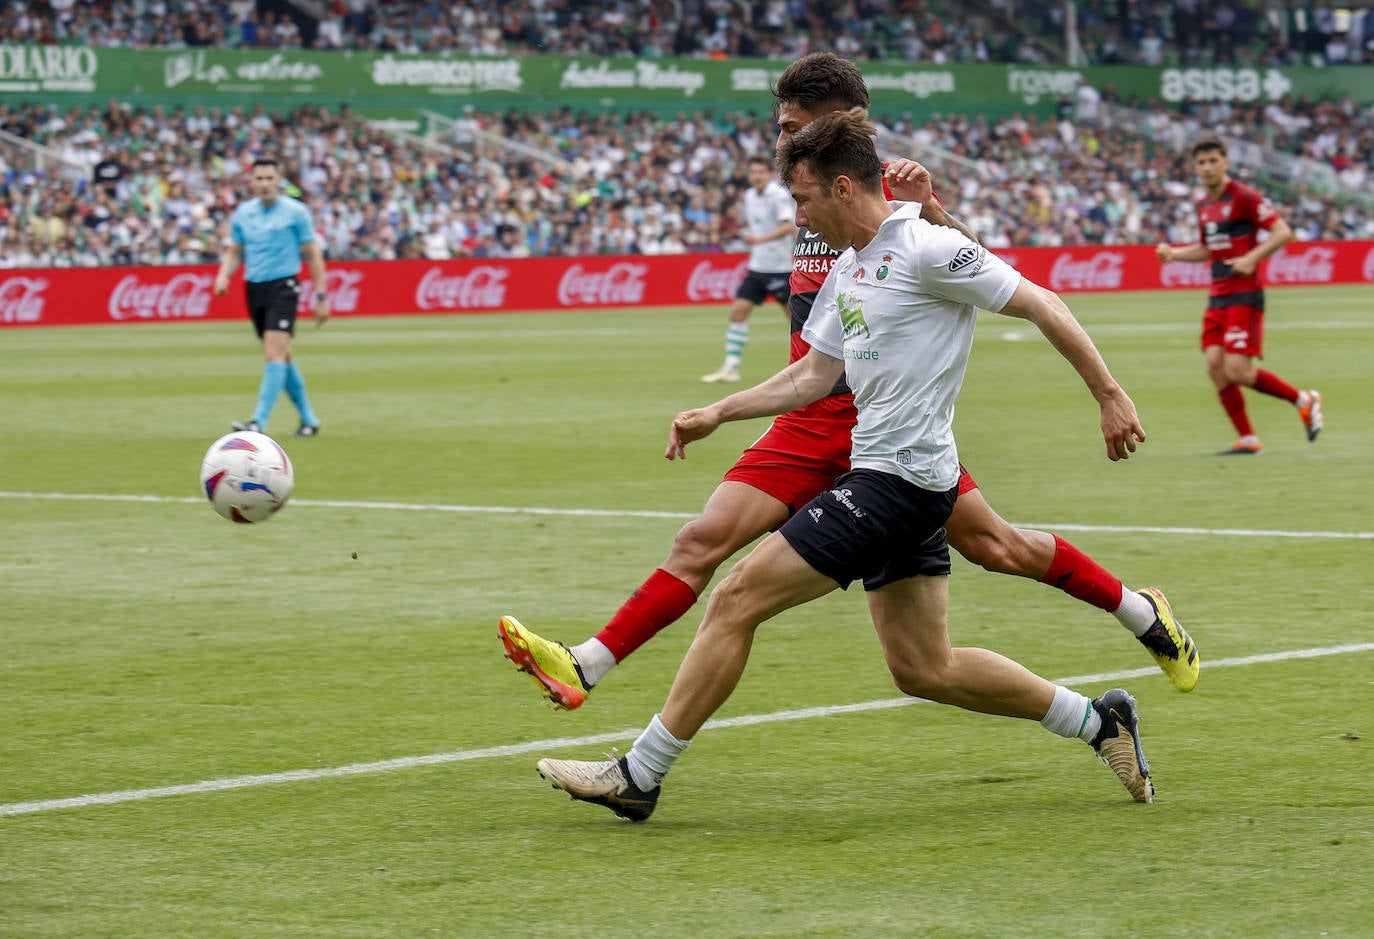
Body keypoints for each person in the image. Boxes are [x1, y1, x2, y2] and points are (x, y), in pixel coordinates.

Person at [499, 52, 1197, 713]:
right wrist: (723, 408)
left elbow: (977, 267)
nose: (781, 140)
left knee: (996, 548)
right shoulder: (810, 182)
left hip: (880, 424)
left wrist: (934, 208)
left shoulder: (869, 183)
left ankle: (1142, 614)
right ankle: (587, 661)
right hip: (818, 406)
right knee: (704, 542)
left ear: (845, 118)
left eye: (790, 124)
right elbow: (816, 359)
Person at [1155, 134, 1322, 455]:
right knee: (1215, 366)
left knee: (1237, 371)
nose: (1206, 168)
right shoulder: (1204, 205)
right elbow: (1207, 249)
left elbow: (1283, 231)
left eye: (1213, 161)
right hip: (1218, 295)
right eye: (1201, 162)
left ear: (1225, 162)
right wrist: (1175, 254)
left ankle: (1304, 399)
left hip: (1245, 293)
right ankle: (1248, 439)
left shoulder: (1243, 196)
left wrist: (1251, 259)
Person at [213, 156, 327, 437]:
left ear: (279, 181)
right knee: (283, 355)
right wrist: (224, 275)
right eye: (259, 178)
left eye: (269, 178)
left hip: (284, 286)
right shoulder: (243, 213)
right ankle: (309, 420)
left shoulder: (296, 212)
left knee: (272, 352)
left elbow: (313, 254)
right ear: (252, 182)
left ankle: (257, 422)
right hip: (255, 287)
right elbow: (236, 250)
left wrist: (321, 296)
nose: (264, 184)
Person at [701, 154, 796, 384]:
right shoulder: (750, 196)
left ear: (769, 174)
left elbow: (787, 226)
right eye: (752, 172)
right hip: (758, 267)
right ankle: (730, 368)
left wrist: (759, 239)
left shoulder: (778, 196)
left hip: (780, 267)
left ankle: (805, 366)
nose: (756, 177)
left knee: (796, 321)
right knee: (737, 313)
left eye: (760, 172)